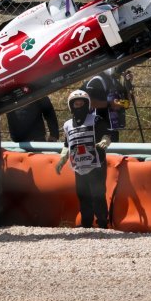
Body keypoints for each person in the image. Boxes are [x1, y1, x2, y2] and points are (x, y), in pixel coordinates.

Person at [55, 90, 111, 229]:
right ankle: (86, 224)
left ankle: (103, 223)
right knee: (83, 195)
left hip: (96, 164)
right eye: (76, 104)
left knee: (98, 195)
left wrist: (105, 140)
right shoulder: (67, 125)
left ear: (87, 105)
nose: (78, 106)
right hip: (78, 166)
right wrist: (62, 159)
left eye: (81, 103)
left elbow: (107, 134)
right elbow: (67, 144)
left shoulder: (96, 120)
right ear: (71, 106)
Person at [84, 67, 129, 143]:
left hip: (113, 128)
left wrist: (128, 83)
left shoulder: (115, 81)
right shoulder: (97, 80)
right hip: (99, 128)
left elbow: (127, 103)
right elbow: (89, 102)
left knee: (113, 153)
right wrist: (110, 104)